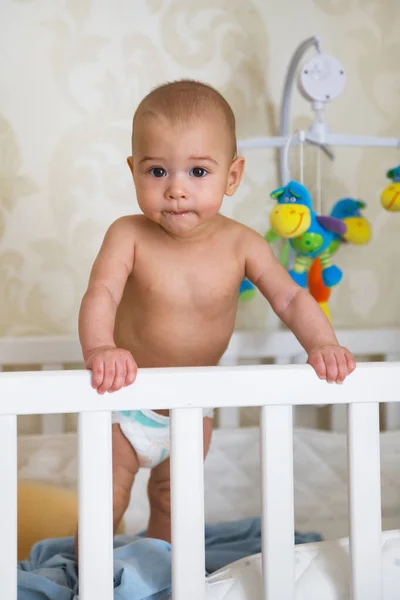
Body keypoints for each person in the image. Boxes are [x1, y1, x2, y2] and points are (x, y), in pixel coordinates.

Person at [78, 79, 356, 544]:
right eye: (157, 172)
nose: (177, 190)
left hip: (193, 405)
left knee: (173, 499)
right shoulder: (126, 235)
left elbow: (290, 298)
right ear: (133, 172)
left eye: (198, 173)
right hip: (124, 400)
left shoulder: (242, 244)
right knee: (107, 498)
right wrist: (102, 348)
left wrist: (322, 343)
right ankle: (92, 582)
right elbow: (100, 293)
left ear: (232, 176)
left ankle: (161, 573)